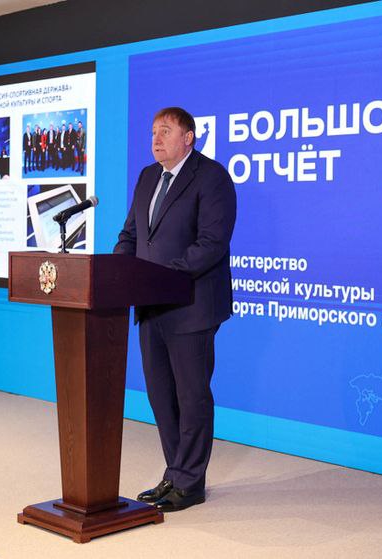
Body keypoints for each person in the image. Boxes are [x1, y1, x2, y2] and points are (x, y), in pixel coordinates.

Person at [114, 107, 236, 512]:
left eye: (165, 131)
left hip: (191, 305)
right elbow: (131, 234)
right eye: (153, 131)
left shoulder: (212, 177)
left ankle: (190, 483)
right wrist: (118, 271)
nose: (156, 139)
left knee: (192, 395)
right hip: (151, 307)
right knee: (161, 395)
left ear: (188, 137)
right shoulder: (148, 177)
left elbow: (212, 243)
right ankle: (174, 474)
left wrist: (163, 277)